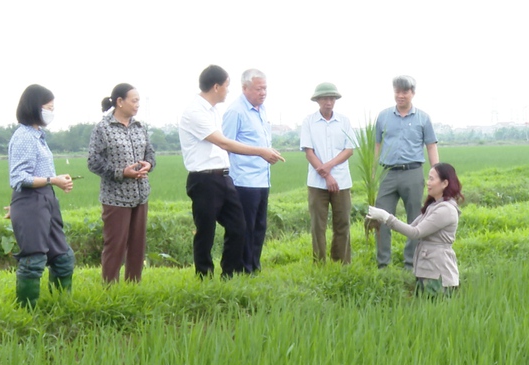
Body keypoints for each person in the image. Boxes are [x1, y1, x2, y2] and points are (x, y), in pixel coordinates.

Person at [179, 65, 285, 279]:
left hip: (223, 177)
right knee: (206, 231)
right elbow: (224, 142)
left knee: (239, 226)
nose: (228, 90)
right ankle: (204, 277)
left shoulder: (213, 111)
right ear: (216, 86)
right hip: (203, 179)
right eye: (227, 86)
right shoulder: (195, 112)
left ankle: (229, 274)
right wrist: (261, 152)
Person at [7, 84, 76, 308]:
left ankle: (61, 306)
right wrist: (52, 180)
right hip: (31, 201)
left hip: (45, 201)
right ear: (34, 108)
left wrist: (56, 182)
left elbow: (39, 172)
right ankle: (26, 312)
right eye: (48, 107)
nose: (51, 112)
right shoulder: (24, 136)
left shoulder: (38, 135)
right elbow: (19, 177)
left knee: (64, 258)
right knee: (34, 260)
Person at [87, 83, 156, 283]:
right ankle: (110, 288)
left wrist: (148, 164)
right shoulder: (103, 128)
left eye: (138, 101)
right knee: (115, 244)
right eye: (134, 101)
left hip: (140, 194)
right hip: (115, 197)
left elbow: (150, 153)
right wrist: (120, 173)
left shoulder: (139, 126)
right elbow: (93, 161)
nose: (137, 105)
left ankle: (133, 285)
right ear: (119, 102)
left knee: (138, 245)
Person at [366, 162, 462, 295]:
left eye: (432, 179)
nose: (428, 183)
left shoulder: (445, 210)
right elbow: (412, 227)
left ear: (445, 183)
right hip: (427, 271)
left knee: (435, 312)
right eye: (428, 178)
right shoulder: (433, 206)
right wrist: (384, 218)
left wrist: (387, 217)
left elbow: (415, 233)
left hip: (438, 276)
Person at [374, 75, 440, 270]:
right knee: (381, 216)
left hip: (413, 172)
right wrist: (372, 172)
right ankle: (383, 264)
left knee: (415, 218)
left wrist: (436, 173)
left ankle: (411, 263)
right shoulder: (384, 116)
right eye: (397, 91)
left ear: (413, 93)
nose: (400, 95)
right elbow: (376, 145)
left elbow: (431, 146)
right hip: (388, 173)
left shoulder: (422, 118)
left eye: (405, 92)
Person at [299, 82, 358, 263]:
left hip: (342, 181)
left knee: (342, 223)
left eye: (332, 98)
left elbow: (349, 149)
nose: (328, 102)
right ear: (317, 100)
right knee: (318, 225)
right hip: (317, 182)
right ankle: (320, 262)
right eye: (324, 98)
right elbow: (309, 152)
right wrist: (327, 175)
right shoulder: (309, 122)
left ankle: (341, 262)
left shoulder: (344, 121)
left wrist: (330, 166)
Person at [222, 69, 272, 273]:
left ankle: (254, 266)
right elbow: (226, 144)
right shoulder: (235, 111)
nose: (263, 93)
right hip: (243, 180)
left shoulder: (262, 109)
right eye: (259, 89)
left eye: (265, 88)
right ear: (244, 88)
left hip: (262, 179)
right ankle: (243, 269)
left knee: (260, 227)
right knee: (245, 227)